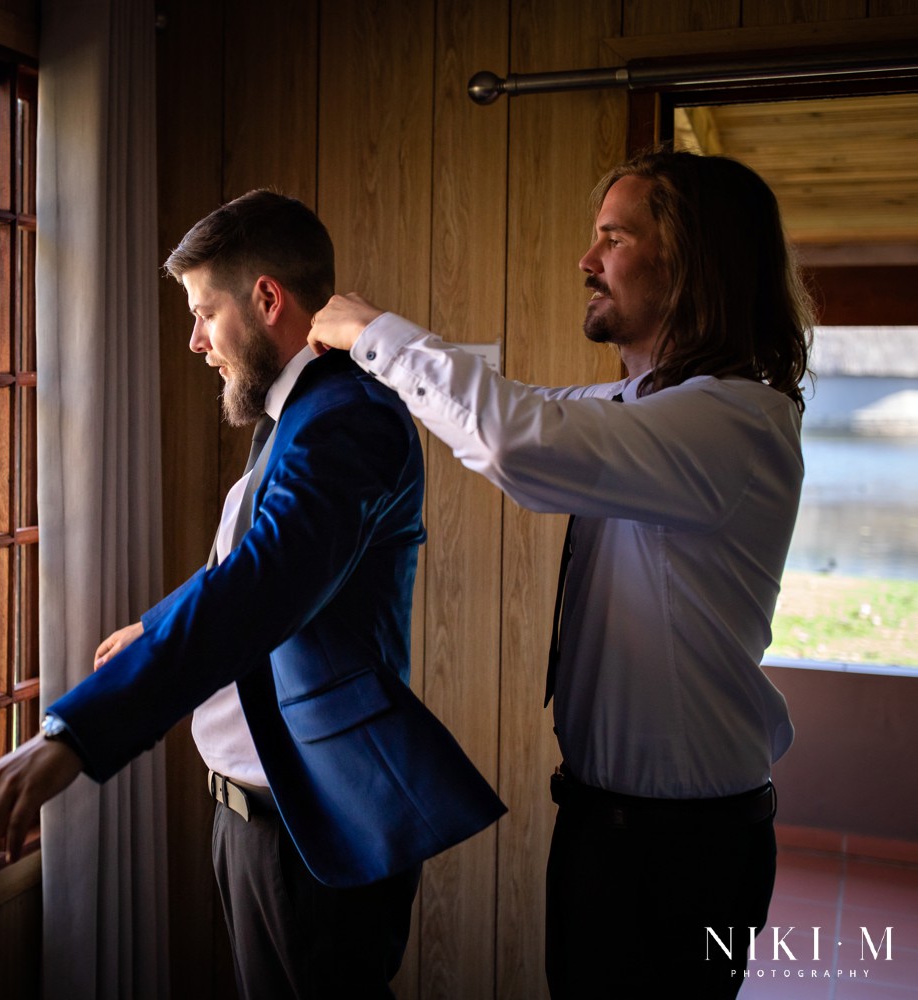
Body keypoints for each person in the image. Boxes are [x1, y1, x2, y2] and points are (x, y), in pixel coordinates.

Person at [0, 189, 504, 998]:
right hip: (256, 811)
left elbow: (261, 585)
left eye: (205, 313)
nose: (194, 341)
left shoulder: (345, 417)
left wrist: (75, 733)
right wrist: (156, 624)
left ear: (267, 300)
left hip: (309, 822)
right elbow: (253, 562)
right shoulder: (299, 413)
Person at [306, 147, 813, 999]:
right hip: (607, 829)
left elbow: (516, 440)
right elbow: (519, 412)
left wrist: (372, 332)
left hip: (684, 853)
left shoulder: (736, 422)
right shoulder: (638, 408)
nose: (586, 261)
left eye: (613, 238)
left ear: (694, 262)